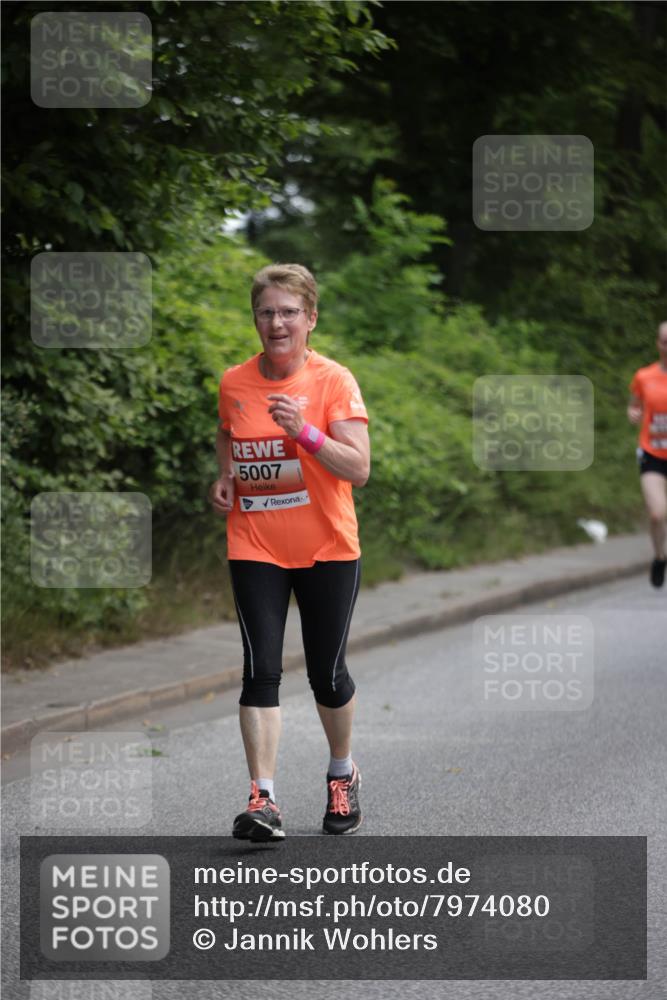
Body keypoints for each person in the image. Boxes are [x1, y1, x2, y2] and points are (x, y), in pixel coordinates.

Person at [209, 263, 370, 841]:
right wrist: (226, 476)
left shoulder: (334, 381)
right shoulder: (234, 382)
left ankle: (342, 772)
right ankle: (263, 799)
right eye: (266, 312)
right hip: (255, 544)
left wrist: (305, 431)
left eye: (288, 312)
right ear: (255, 319)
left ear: (310, 319)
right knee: (260, 672)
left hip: (328, 547)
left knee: (327, 675)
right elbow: (227, 431)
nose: (276, 323)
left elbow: (359, 467)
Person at [627, 321, 667, 588]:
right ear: (658, 344)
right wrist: (633, 414)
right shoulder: (644, 376)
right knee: (656, 514)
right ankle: (660, 557)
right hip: (653, 453)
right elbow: (634, 406)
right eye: (665, 342)